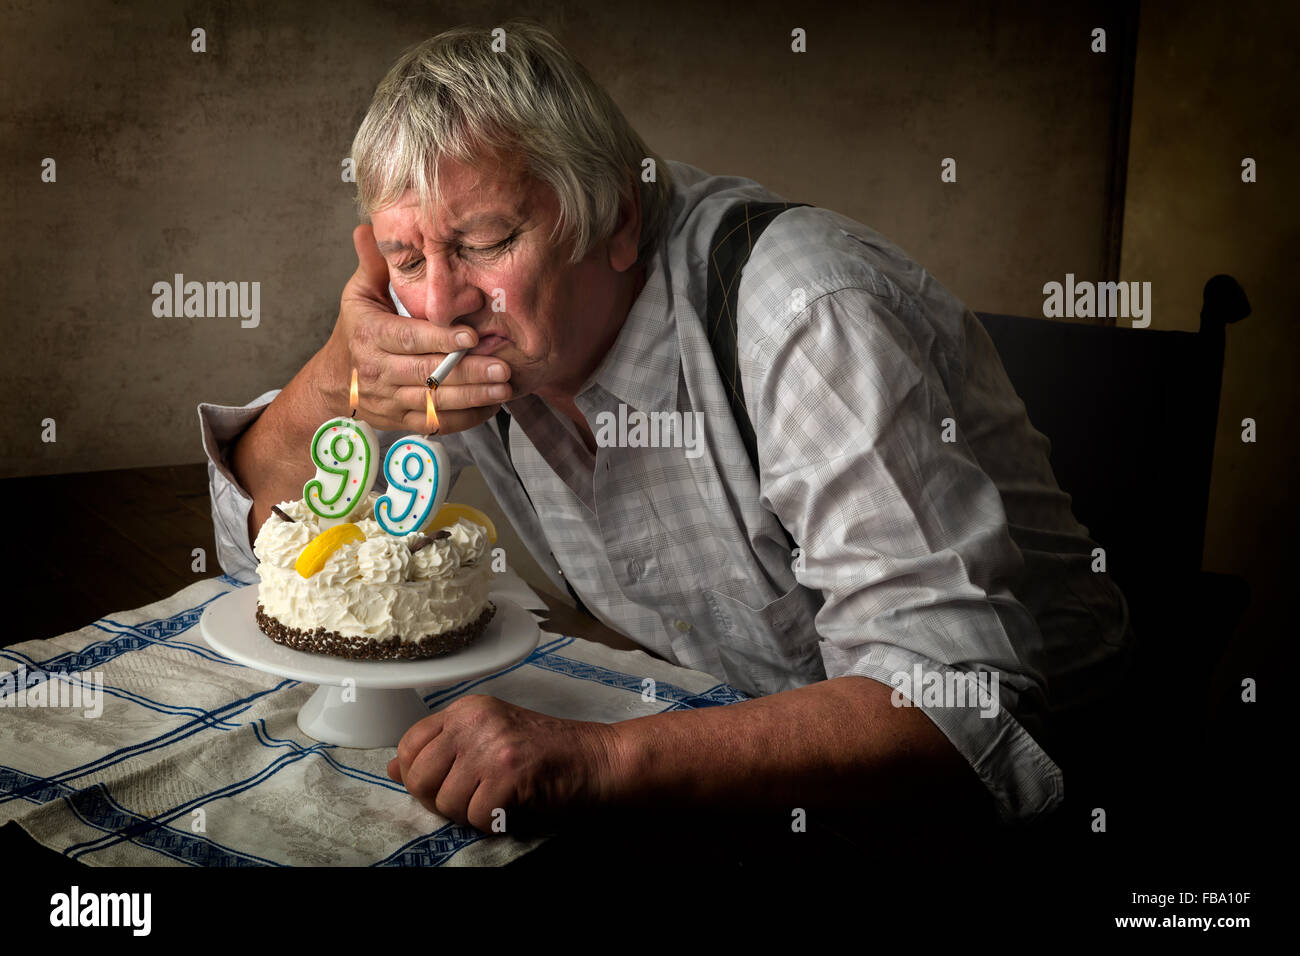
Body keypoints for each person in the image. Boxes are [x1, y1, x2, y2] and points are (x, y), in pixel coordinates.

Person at [200, 20, 1131, 832]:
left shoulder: (804, 313)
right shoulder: (486, 331)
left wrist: (601, 762)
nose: (440, 301)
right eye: (405, 254)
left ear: (618, 216)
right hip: (744, 762)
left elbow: (958, 702)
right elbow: (259, 560)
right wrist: (342, 371)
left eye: (485, 243)